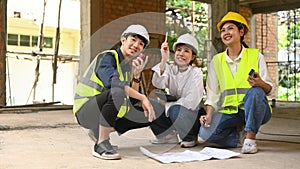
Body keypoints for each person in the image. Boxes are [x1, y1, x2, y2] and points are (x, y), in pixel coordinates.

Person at [73, 24, 159, 160]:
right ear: (123, 40)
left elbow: (131, 102)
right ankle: (101, 143)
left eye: (141, 44)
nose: (136, 45)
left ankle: (99, 131)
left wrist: (136, 76)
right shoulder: (107, 57)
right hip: (85, 111)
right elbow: (113, 85)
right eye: (133, 39)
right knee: (117, 91)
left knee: (148, 110)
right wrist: (143, 97)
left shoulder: (126, 68)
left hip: (102, 111)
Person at [199, 11, 274, 154]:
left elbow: (270, 89)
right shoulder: (217, 61)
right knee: (205, 132)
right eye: (223, 30)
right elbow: (212, 93)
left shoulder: (255, 56)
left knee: (256, 91)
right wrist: (209, 115)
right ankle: (239, 137)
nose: (226, 32)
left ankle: (250, 138)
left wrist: (260, 83)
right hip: (230, 112)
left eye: (230, 28)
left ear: (241, 32)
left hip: (257, 110)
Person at [149, 33, 204, 148]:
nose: (181, 54)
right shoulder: (170, 69)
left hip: (190, 116)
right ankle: (168, 136)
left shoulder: (196, 73)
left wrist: (166, 105)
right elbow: (158, 83)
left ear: (193, 57)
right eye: (179, 50)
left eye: (186, 51)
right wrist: (164, 59)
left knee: (175, 110)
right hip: (174, 112)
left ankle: (189, 137)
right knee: (149, 103)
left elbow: (192, 102)